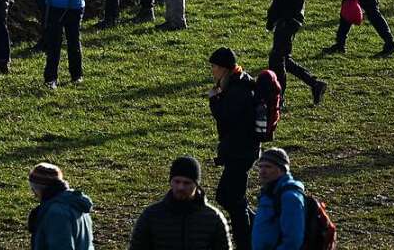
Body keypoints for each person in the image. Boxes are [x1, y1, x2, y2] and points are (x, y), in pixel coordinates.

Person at [266, 0, 328, 106]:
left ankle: (279, 97)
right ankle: (315, 84)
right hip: (286, 19)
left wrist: (284, 16)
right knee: (283, 58)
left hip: (288, 20)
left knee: (276, 59)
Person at [207, 47, 259, 250]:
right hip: (239, 151)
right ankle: (259, 227)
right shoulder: (237, 84)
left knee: (231, 199)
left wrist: (214, 99)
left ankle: (246, 241)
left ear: (223, 68)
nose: (212, 70)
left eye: (214, 67)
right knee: (231, 197)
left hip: (241, 152)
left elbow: (226, 117)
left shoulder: (238, 89)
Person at [128, 156, 232, 250]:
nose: (180, 187)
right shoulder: (151, 216)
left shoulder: (213, 218)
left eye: (187, 183)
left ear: (196, 185)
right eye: (177, 181)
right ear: (170, 182)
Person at [27, 162, 95, 250]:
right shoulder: (75, 203)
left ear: (39, 188)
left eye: (33, 188)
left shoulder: (56, 213)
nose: (34, 193)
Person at [251, 149, 305, 250]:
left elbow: (293, 240)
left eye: (268, 167)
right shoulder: (269, 194)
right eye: (260, 166)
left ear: (282, 169)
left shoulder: (290, 197)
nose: (262, 171)